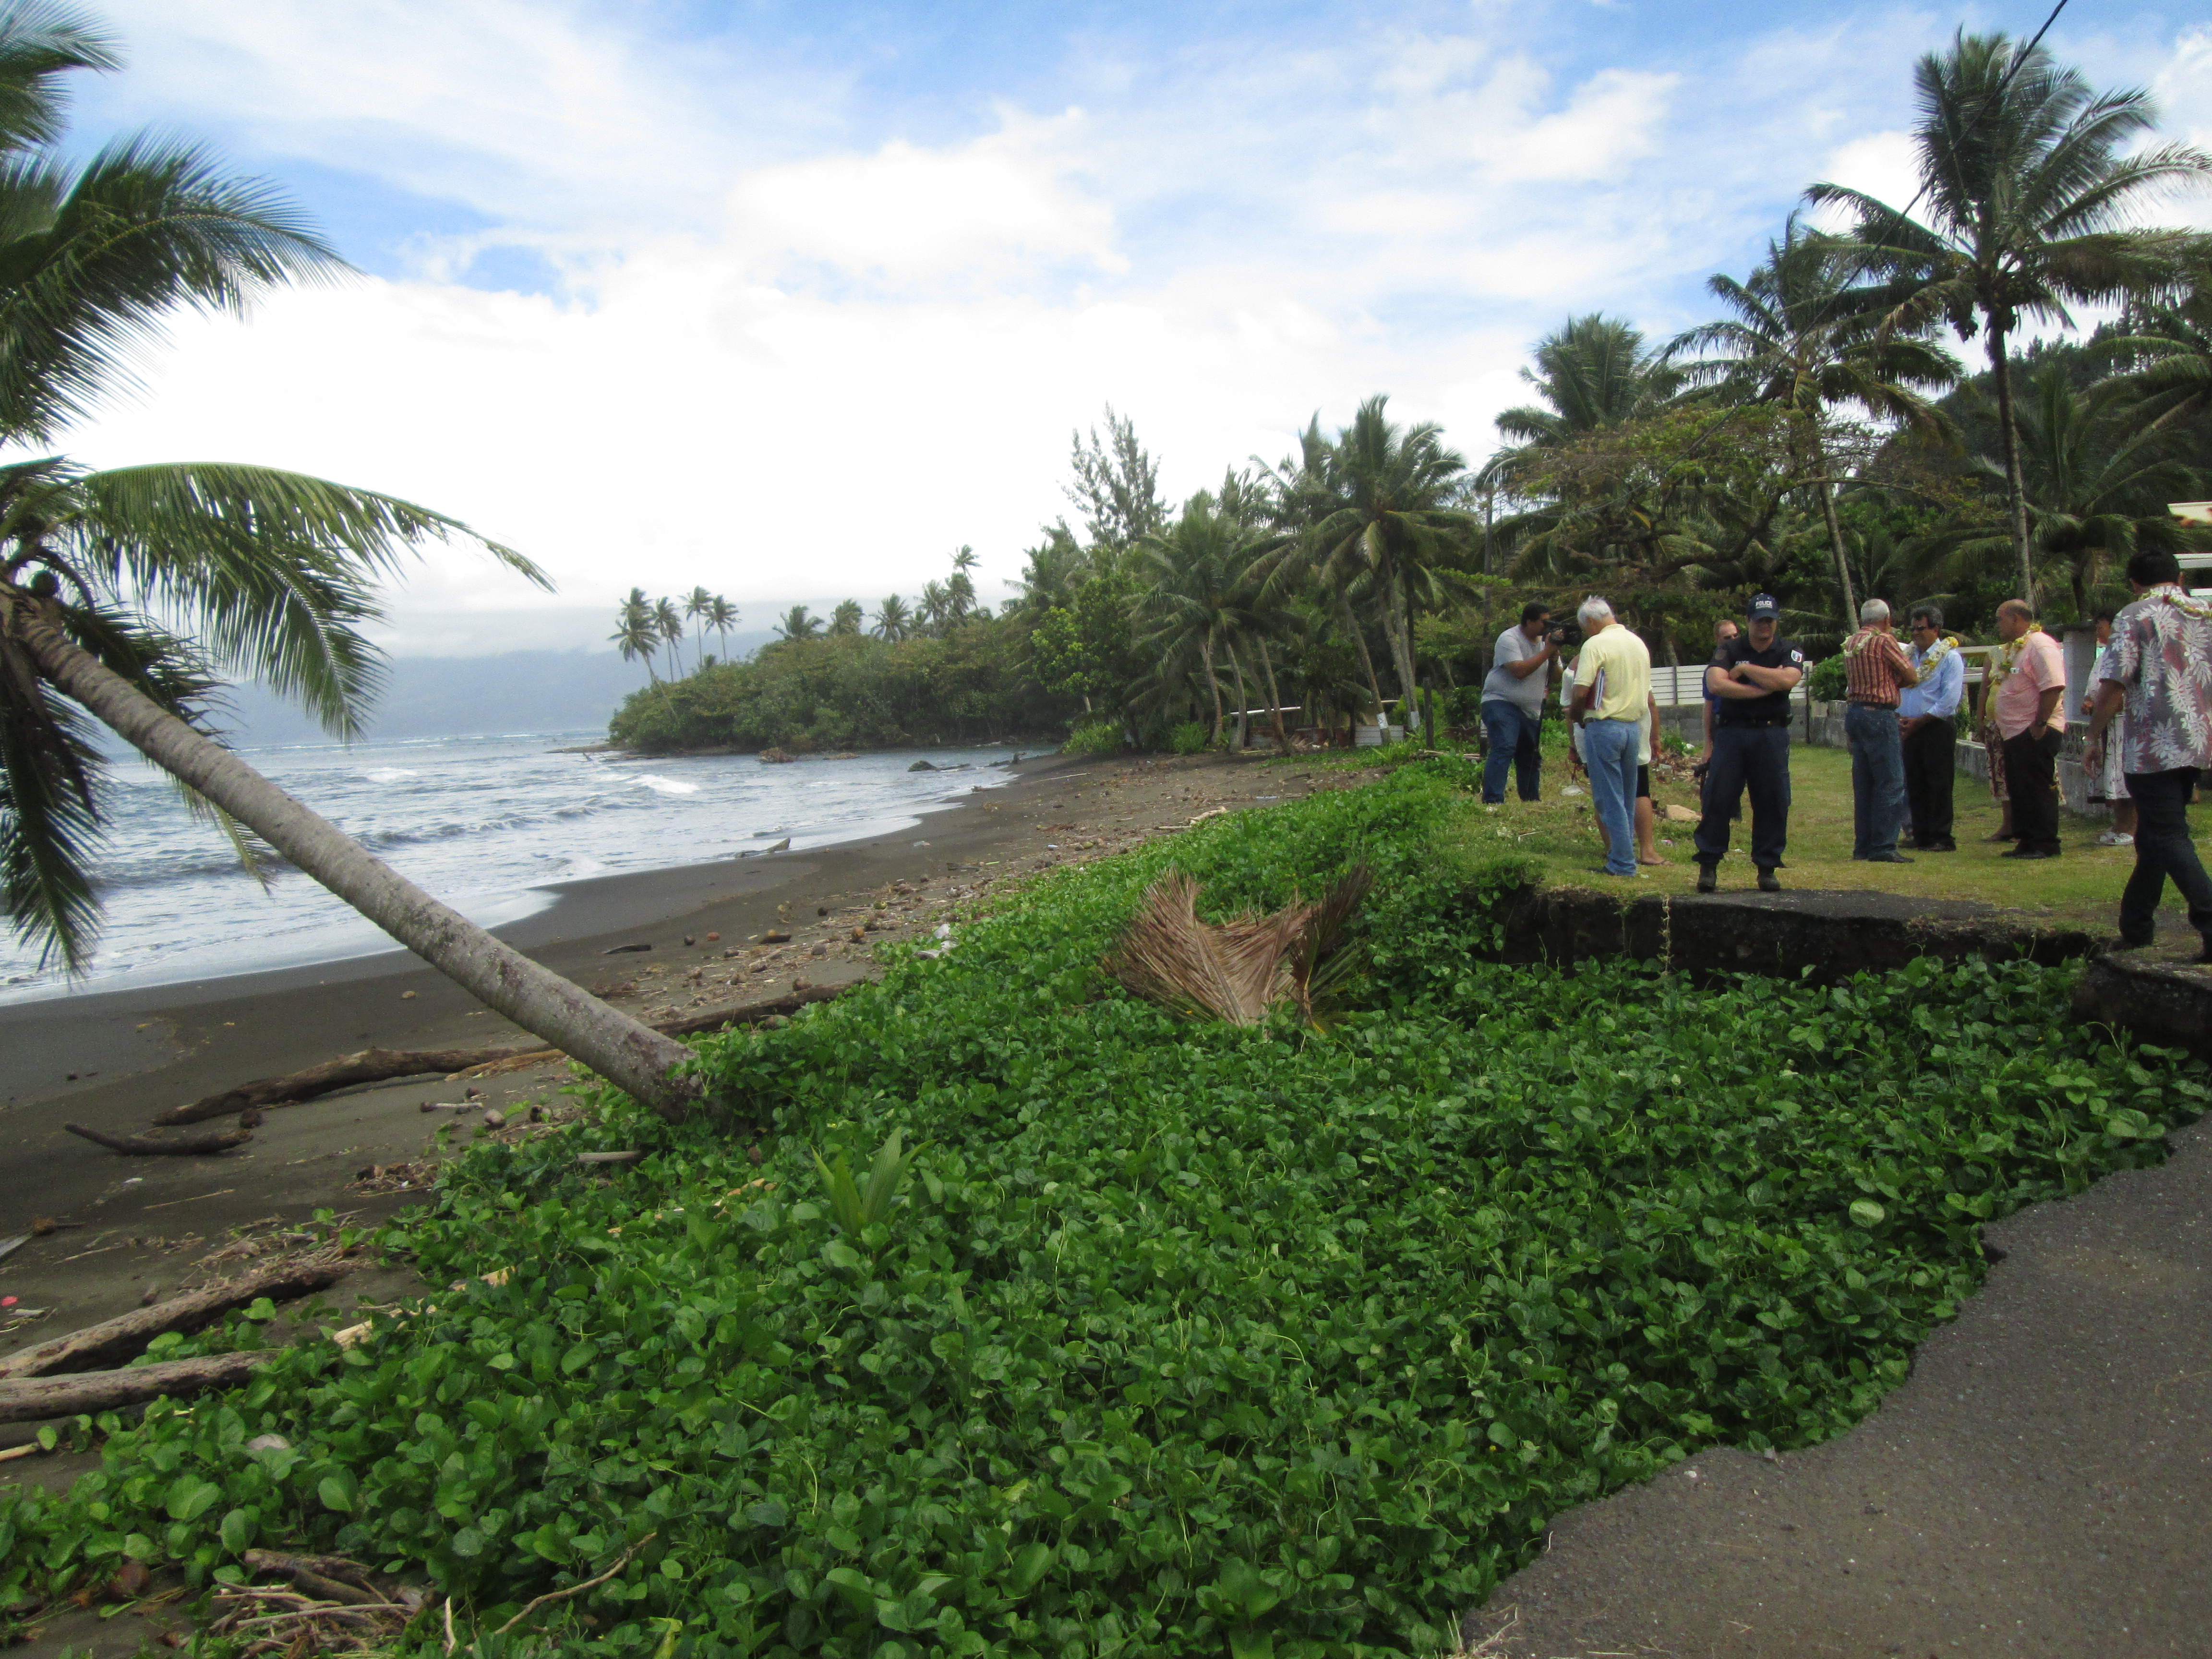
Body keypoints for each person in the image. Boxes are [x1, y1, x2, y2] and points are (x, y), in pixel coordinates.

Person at [2085, 549, 2212, 961]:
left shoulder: (2136, 614)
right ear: (2178, 575)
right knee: (2155, 837)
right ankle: (2136, 925)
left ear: (2134, 583)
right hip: (2197, 738)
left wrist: (2093, 736)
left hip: (2152, 743)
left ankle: (2209, 919)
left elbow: (2116, 681)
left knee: (2169, 836)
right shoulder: (2205, 612)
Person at [1694, 592, 1805, 893]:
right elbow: (1717, 684)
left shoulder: (1789, 649)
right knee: (1719, 798)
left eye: (1769, 620)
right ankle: (1709, 864)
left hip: (1771, 733)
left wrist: (1744, 672)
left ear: (1776, 621)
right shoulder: (1729, 648)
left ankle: (1767, 867)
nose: (1764, 626)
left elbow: (1787, 681)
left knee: (1772, 800)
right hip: (1732, 733)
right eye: (1759, 620)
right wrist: (1764, 689)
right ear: (1749, 621)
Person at [1567, 596, 1652, 879]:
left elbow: (1580, 690)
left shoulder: (1595, 644)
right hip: (1633, 726)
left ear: (1591, 622)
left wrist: (1576, 716)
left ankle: (1623, 862)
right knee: (1627, 794)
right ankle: (1624, 856)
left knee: (1609, 797)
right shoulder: (1637, 643)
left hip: (1605, 725)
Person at [1840, 598, 1918, 862]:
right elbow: (1912, 675)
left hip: (1856, 711)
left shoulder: (1852, 642)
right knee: (1891, 781)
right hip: (1879, 712)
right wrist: (1893, 683)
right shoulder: (1884, 640)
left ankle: (1863, 845)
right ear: (1886, 619)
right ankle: (1884, 846)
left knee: (1864, 783)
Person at [1989, 598, 2067, 859]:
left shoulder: (2041, 644)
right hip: (2014, 732)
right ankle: (2026, 840)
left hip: (2034, 730)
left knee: (2037, 787)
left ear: (2015, 618)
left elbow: (2053, 685)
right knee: (2019, 788)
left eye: (2000, 619)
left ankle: (2045, 842)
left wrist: (2040, 723)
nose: (1998, 625)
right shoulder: (2017, 648)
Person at [1480, 601, 1561, 804]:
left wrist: (1554, 656)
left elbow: (1557, 678)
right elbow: (1519, 671)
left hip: (1530, 709)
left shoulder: (1548, 643)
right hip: (1501, 701)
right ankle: (1493, 801)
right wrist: (1546, 652)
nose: (1547, 627)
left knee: (1530, 755)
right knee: (1505, 745)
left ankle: (1531, 800)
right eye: (1544, 622)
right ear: (1529, 621)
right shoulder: (1509, 638)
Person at [1899, 604, 1964, 851]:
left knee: (1938, 782)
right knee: (1914, 782)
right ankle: (1921, 833)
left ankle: (1941, 836)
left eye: (1921, 629)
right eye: (1912, 629)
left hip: (1935, 726)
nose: (1915, 634)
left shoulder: (1950, 657)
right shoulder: (1908, 656)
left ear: (1936, 629)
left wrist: (1920, 721)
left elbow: (1949, 699)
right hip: (1909, 726)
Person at [2081, 609, 2137, 847]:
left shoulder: (2126, 653)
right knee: (2112, 778)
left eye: (2100, 627)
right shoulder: (2104, 656)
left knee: (2124, 778)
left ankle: (2131, 827)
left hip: (2123, 723)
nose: (2098, 632)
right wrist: (2089, 701)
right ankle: (2119, 824)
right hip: (2106, 723)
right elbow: (2095, 685)